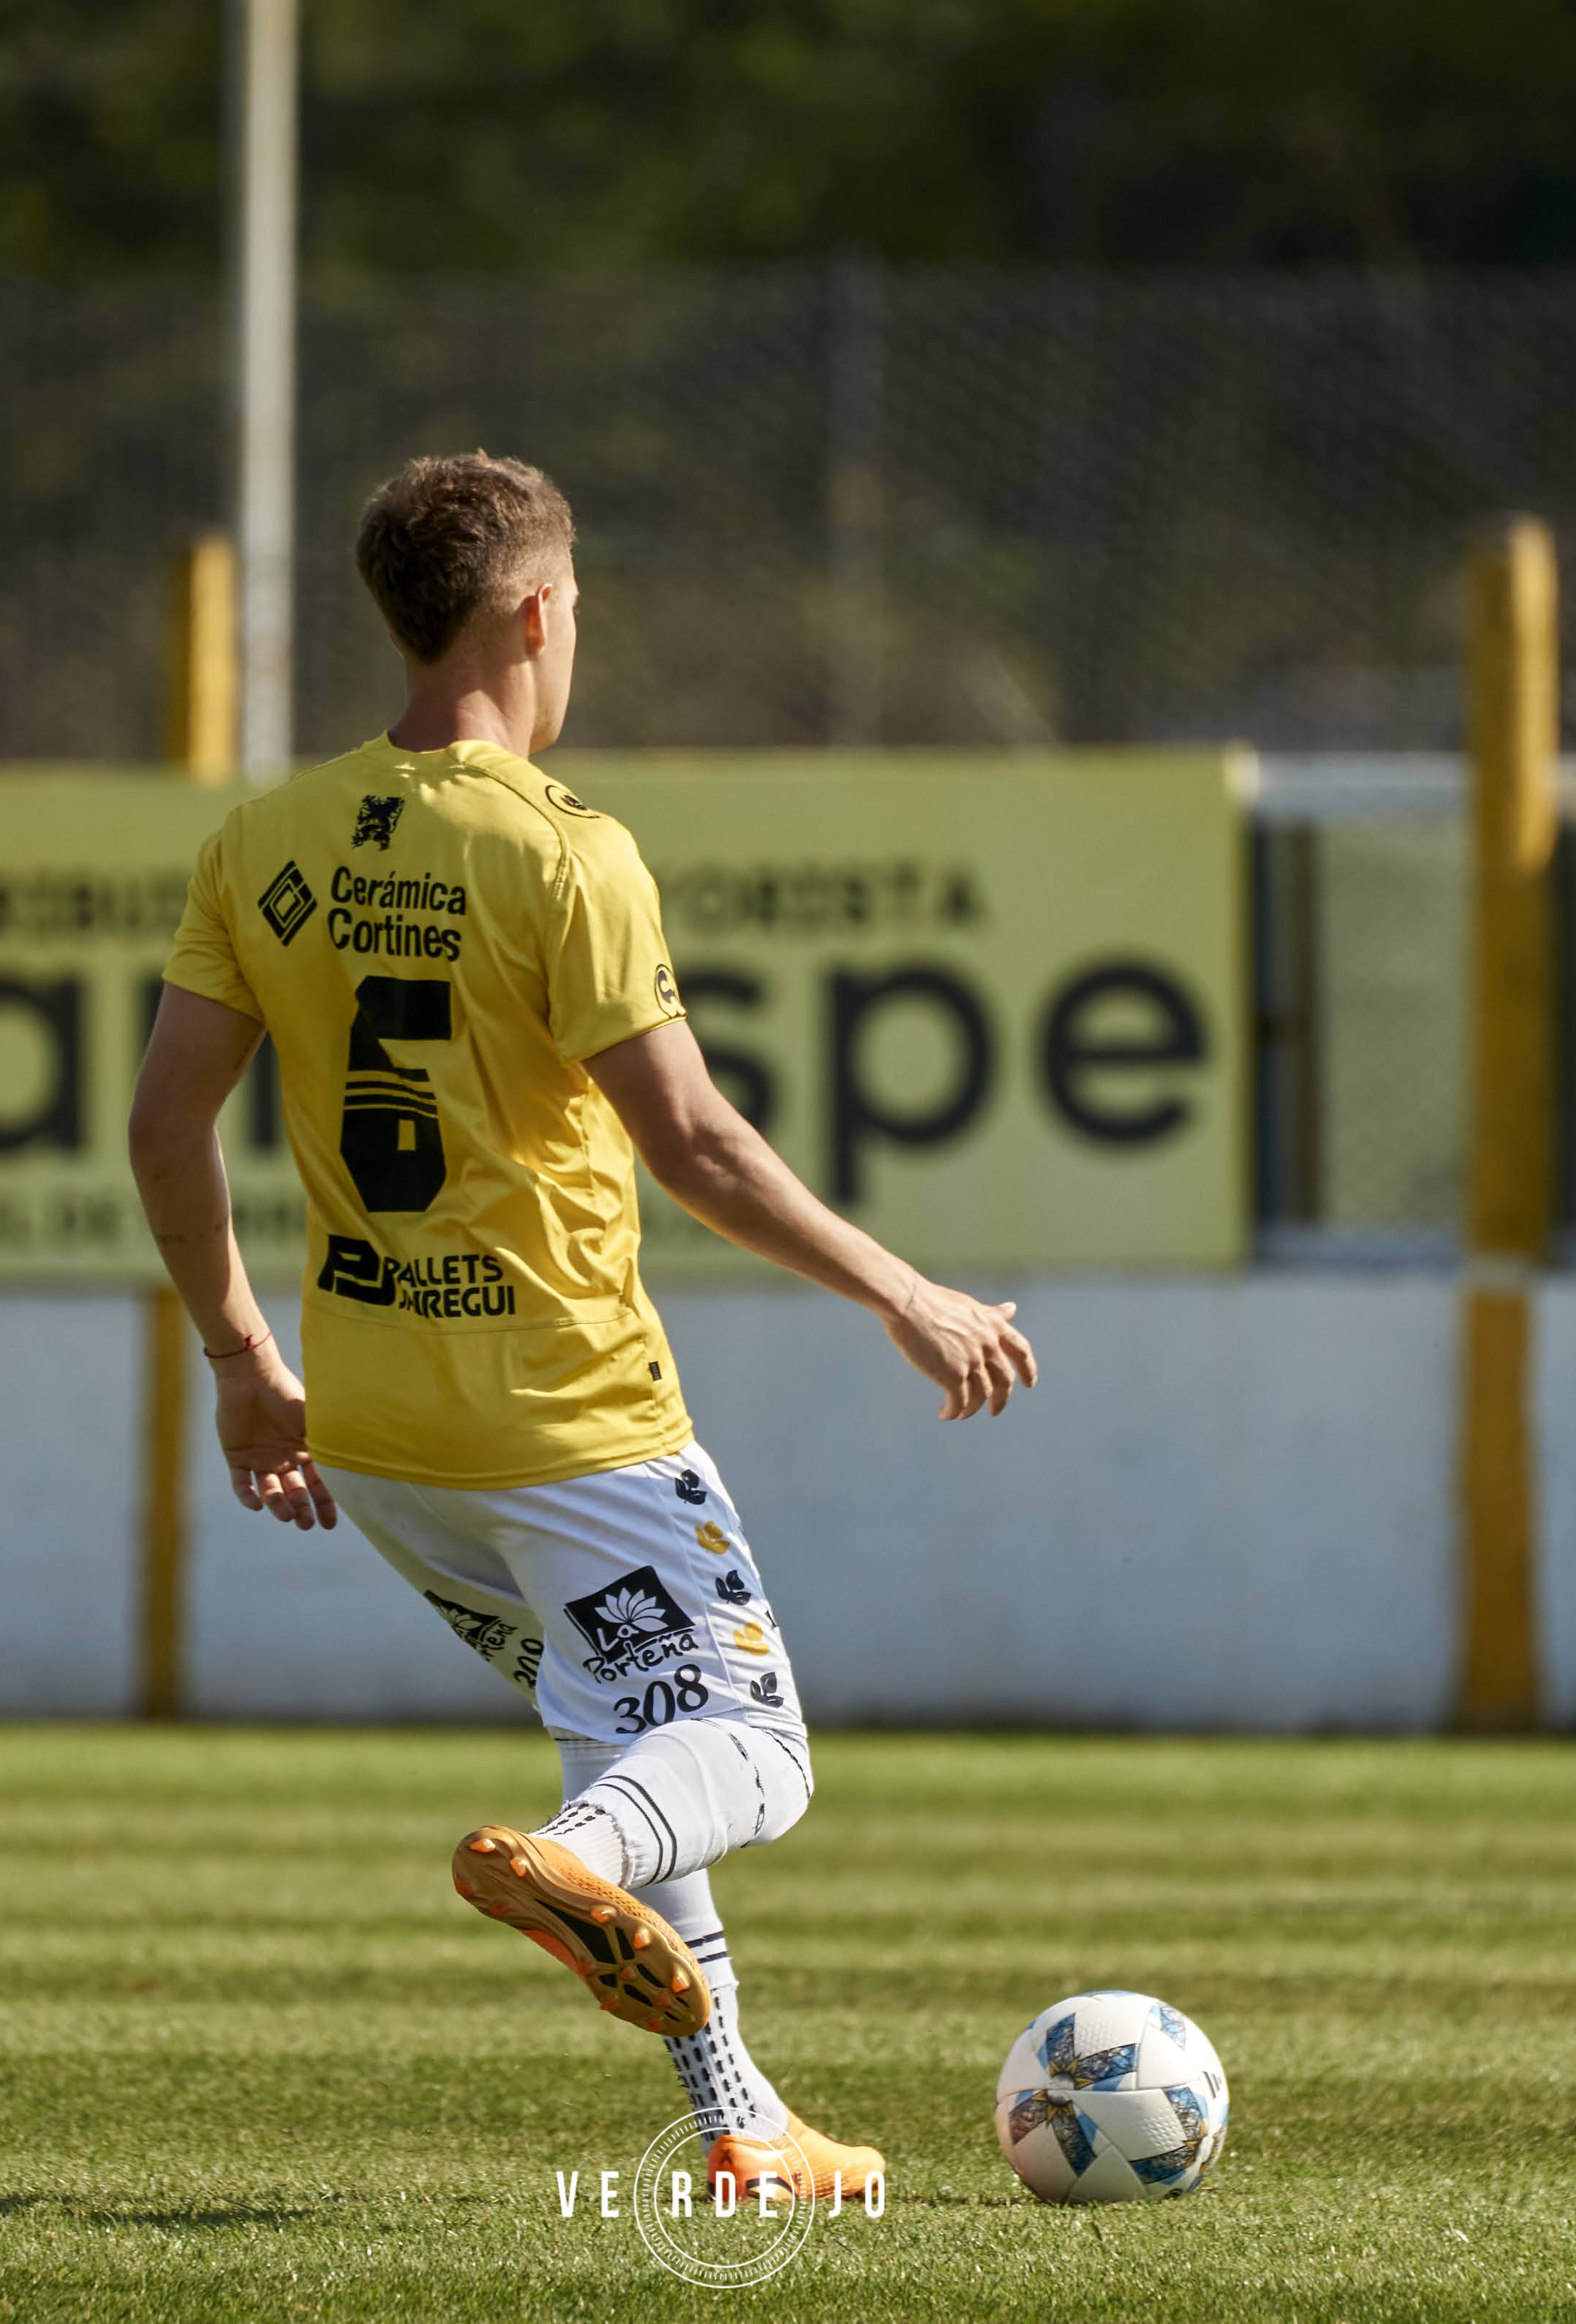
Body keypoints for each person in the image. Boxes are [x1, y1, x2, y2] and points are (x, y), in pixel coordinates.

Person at [126, 452, 1038, 2195]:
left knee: (638, 1719)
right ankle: (562, 1855)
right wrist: (905, 1293)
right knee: (747, 1752)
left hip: (378, 1439)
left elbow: (168, 1123)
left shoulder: (261, 841)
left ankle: (740, 2122)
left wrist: (247, 1367)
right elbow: (691, 1139)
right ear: (537, 612)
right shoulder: (567, 856)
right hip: (569, 1421)